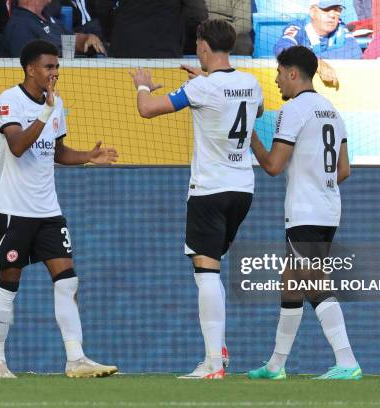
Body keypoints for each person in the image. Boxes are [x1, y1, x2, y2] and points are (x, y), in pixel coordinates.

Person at [129, 19, 263, 379]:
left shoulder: (204, 87)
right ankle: (217, 350)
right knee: (212, 269)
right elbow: (256, 112)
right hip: (243, 190)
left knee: (205, 274)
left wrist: (142, 86)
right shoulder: (251, 83)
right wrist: (200, 86)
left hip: (210, 189)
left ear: (203, 47)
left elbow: (148, 109)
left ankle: (213, 364)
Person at [0, 39, 118, 379]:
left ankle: (76, 359)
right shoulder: (9, 100)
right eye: (49, 66)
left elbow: (56, 153)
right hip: (13, 210)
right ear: (30, 69)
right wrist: (45, 111)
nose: (55, 72)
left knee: (67, 281)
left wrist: (88, 156)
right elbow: (16, 146)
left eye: (57, 66)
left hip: (48, 211)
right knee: (8, 285)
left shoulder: (55, 106)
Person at [247, 45, 361, 381]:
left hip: (306, 213)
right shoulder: (331, 110)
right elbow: (344, 170)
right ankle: (275, 366)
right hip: (327, 209)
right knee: (294, 284)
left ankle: (346, 361)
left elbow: (272, 165)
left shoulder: (294, 110)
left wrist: (248, 136)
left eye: (280, 73)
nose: (277, 80)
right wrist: (318, 179)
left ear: (294, 73)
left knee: (309, 284)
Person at [0, 0, 105, 57]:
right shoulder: (20, 26)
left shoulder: (47, 18)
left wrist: (86, 38)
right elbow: (31, 68)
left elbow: (69, 39)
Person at [108, 0, 208, 58]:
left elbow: (102, 7)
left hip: (124, 48)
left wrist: (109, 33)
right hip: (165, 51)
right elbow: (198, 14)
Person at [273, 0, 363, 60]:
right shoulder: (299, 27)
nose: (332, 15)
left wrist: (311, 60)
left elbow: (355, 54)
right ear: (312, 12)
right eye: (326, 9)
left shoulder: (341, 29)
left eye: (336, 9)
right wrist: (317, 64)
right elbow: (283, 50)